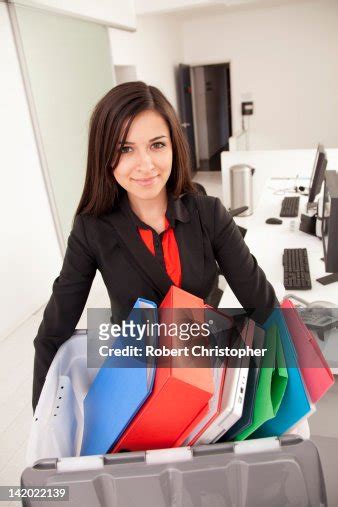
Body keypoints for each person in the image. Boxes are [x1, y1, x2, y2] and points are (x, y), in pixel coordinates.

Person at [32, 81, 277, 410]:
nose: (145, 164)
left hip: (201, 369)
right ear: (105, 156)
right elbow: (52, 334)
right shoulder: (92, 229)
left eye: (157, 145)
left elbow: (264, 307)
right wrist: (43, 423)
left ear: (174, 147)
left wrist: (280, 388)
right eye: (125, 149)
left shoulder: (209, 213)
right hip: (135, 379)